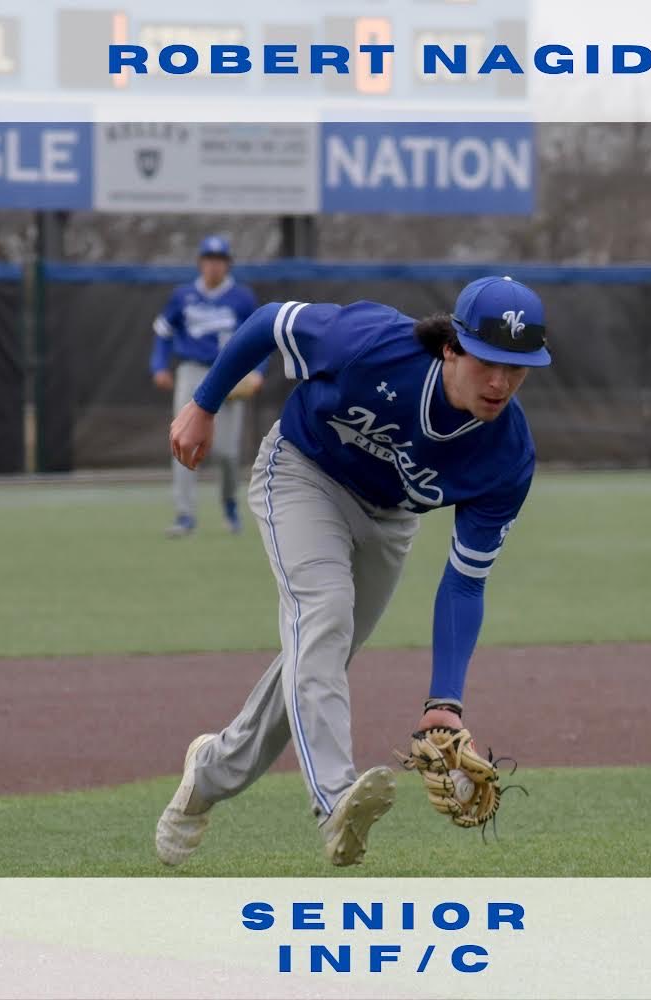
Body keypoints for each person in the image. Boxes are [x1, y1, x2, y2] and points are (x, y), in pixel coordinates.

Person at [156, 275, 551, 867]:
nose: (500, 382)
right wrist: (204, 403)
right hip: (302, 473)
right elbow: (269, 320)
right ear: (452, 346)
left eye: (517, 368)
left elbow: (466, 580)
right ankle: (336, 798)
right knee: (325, 614)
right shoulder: (370, 341)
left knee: (319, 653)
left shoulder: (508, 456)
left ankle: (209, 774)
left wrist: (446, 700)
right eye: (488, 361)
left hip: (390, 519)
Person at [150, 235, 269, 537]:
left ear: (227, 264)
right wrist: (159, 365)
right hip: (191, 371)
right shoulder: (183, 295)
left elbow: (259, 339)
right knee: (183, 441)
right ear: (201, 263)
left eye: (219, 260)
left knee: (227, 452)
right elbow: (163, 331)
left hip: (228, 372)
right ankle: (185, 514)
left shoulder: (242, 298)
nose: (213, 265)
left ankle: (229, 504)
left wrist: (257, 372)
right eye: (209, 259)